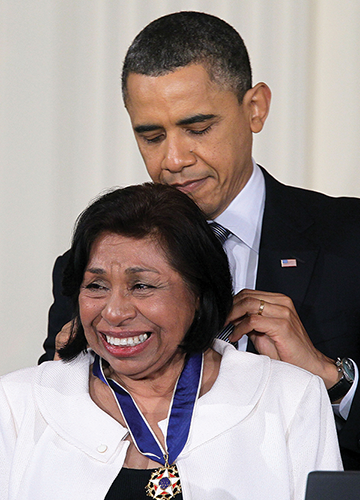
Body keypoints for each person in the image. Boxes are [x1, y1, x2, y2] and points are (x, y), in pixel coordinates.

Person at [40, 12, 360, 469]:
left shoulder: (350, 239)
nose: (173, 159)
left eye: (197, 128)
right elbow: (48, 435)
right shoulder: (89, 269)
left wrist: (332, 381)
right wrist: (71, 375)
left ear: (256, 108)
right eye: (151, 136)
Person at [0, 184, 342, 500]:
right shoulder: (18, 403)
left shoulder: (289, 398)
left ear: (198, 294)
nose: (115, 312)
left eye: (142, 285)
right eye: (97, 285)